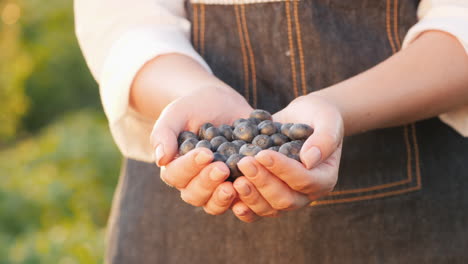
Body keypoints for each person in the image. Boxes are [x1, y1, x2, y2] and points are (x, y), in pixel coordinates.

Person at [75, 0, 468, 263]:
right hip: (179, 217)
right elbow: (121, 19)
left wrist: (337, 110)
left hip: (422, 216)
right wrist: (191, 91)